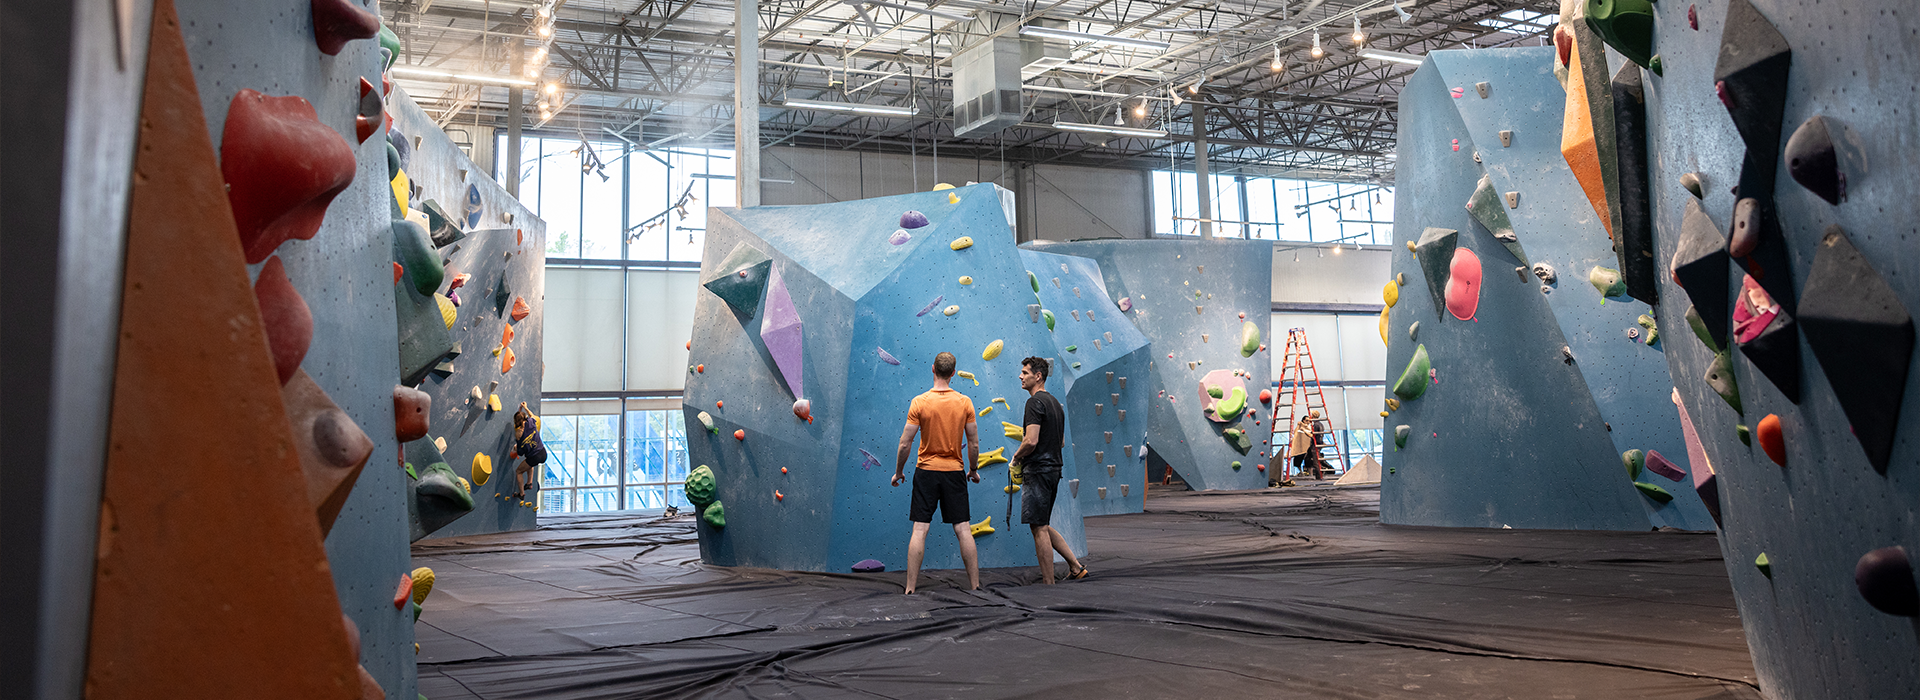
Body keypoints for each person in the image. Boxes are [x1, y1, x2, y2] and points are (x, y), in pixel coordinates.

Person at [891, 351, 982, 594]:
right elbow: (973, 443)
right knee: (963, 528)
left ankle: (910, 588)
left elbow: (904, 443)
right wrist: (973, 470)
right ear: (953, 373)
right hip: (954, 473)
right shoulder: (965, 402)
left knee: (920, 529)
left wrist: (899, 472)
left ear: (933, 369)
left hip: (926, 473)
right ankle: (975, 586)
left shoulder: (919, 402)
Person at [1011, 357, 1088, 584]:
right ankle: (1075, 566)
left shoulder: (1034, 403)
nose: (1020, 376)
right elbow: (1061, 442)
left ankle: (1048, 583)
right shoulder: (1055, 403)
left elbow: (1031, 440)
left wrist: (1016, 457)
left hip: (1038, 471)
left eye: (1025, 372)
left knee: (1038, 528)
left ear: (1038, 376)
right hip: (1054, 469)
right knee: (1042, 523)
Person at [508, 402, 548, 500]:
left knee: (519, 471)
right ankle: (529, 483)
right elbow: (532, 415)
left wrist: (516, 448)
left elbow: (521, 452)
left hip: (534, 456)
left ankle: (521, 494)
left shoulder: (518, 434)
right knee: (529, 461)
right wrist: (525, 407)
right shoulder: (531, 422)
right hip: (543, 453)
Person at [1289, 409, 1322, 481]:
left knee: (1314, 460)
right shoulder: (1318, 424)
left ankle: (1317, 475)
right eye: (1306, 420)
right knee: (1307, 458)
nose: (1308, 421)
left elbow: (1312, 435)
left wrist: (1304, 430)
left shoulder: (1314, 426)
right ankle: (1315, 474)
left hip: (1312, 445)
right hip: (1307, 446)